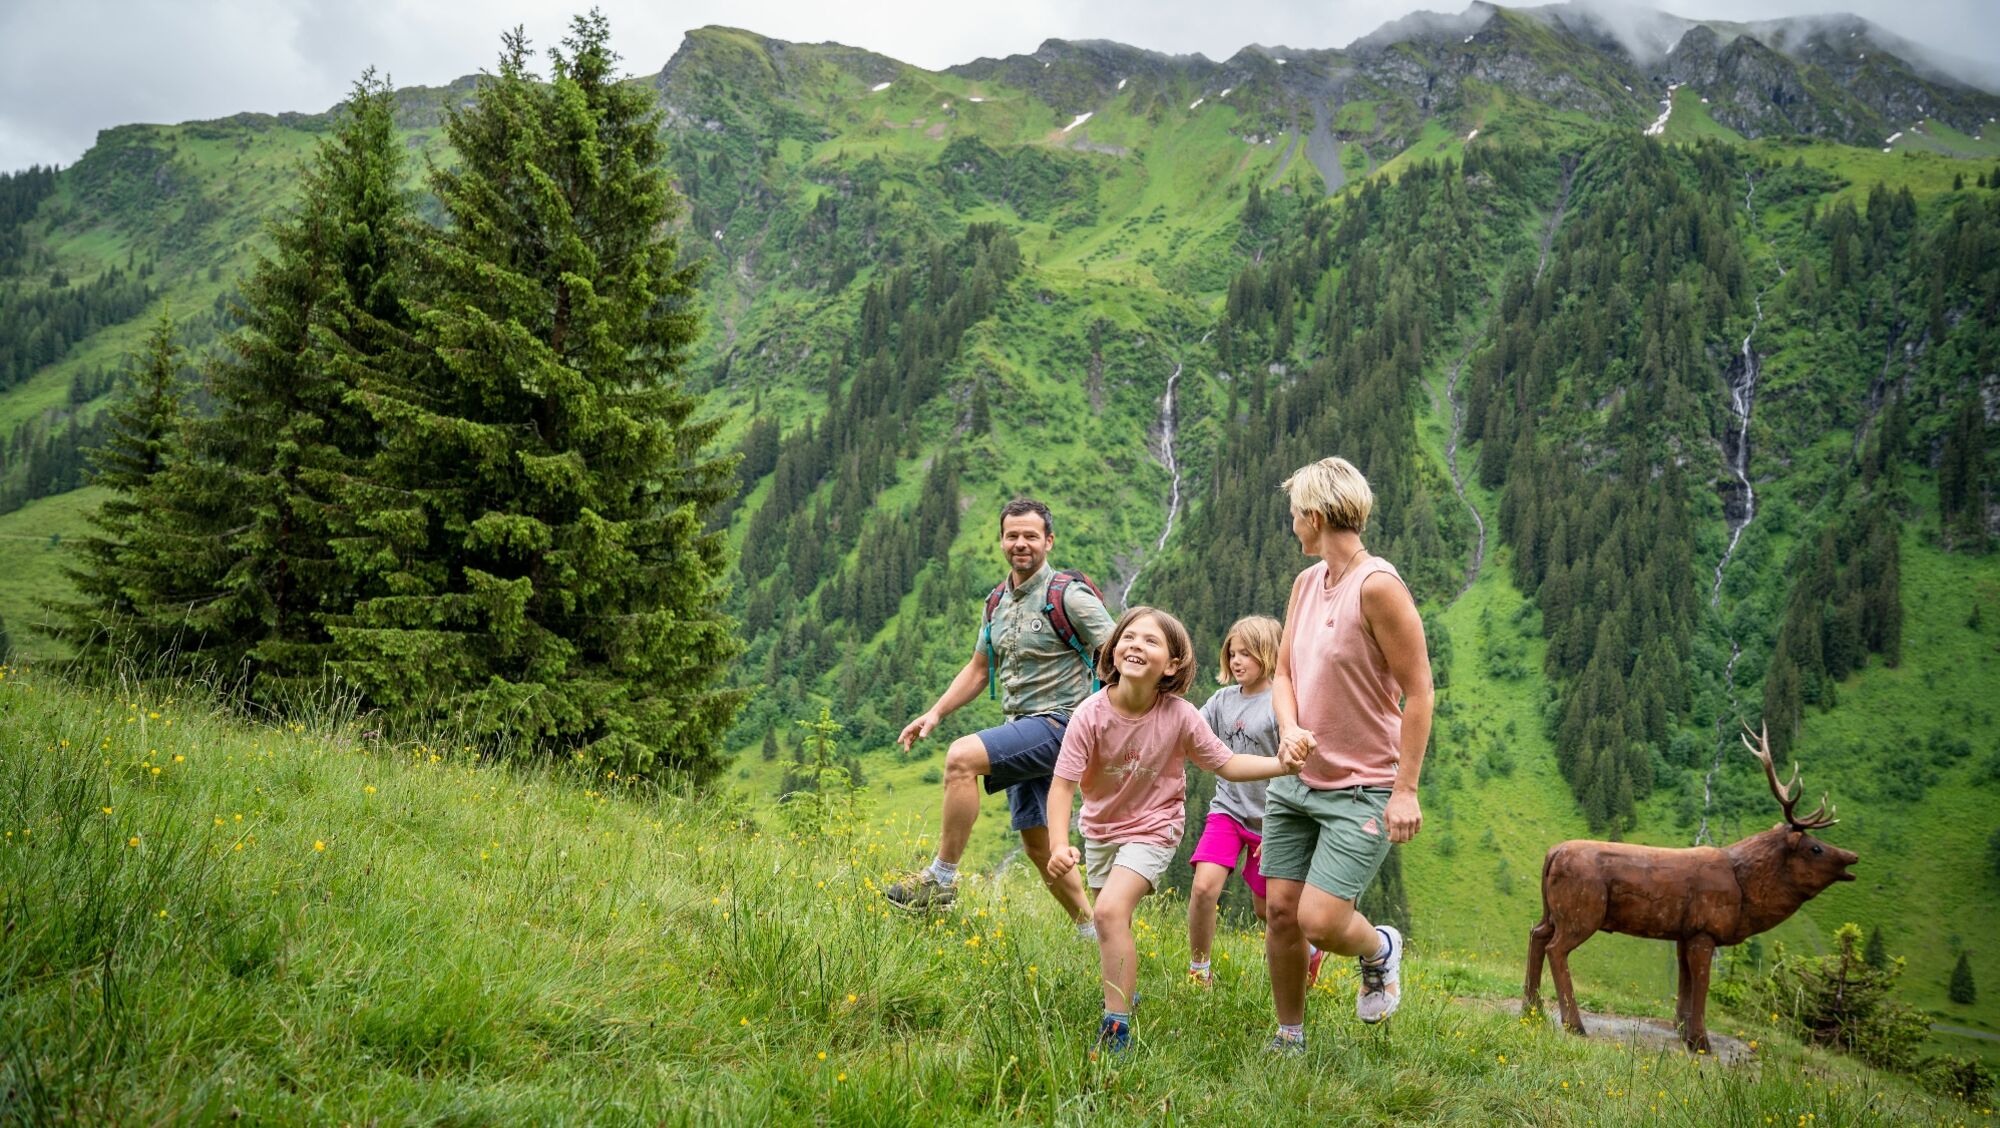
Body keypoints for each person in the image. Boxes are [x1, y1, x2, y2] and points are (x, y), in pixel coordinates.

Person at [1044, 606, 1300, 1054]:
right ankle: (1124, 990)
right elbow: (1063, 784)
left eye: (1151, 641)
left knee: (1106, 913)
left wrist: (1281, 763)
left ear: (1173, 663)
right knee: (1112, 921)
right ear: (1113, 648)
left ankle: (1117, 1027)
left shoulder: (1179, 715)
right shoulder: (1090, 714)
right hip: (1101, 828)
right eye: (1129, 637)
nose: (1136, 646)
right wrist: (1059, 845)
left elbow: (1225, 762)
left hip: (1155, 826)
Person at [1261, 456, 1434, 1055]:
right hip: (1296, 778)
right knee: (1281, 913)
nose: (1291, 525)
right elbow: (1282, 672)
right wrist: (1287, 728)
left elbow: (1420, 690)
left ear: (1313, 515)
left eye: (1294, 515)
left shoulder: (1378, 586)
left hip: (1363, 786)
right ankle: (1290, 1035)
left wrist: (1405, 789)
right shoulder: (1306, 585)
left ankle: (1379, 949)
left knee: (1321, 920)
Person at [886, 498, 1114, 938]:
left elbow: (1118, 651)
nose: (1021, 544)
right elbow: (978, 669)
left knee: (961, 758)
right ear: (1002, 541)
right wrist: (934, 712)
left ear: (1049, 541)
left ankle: (940, 879)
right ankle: (1093, 933)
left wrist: (1120, 719)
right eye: (1013, 536)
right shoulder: (997, 602)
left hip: (1064, 724)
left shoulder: (1069, 596)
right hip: (1023, 729)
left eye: (1031, 536)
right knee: (1038, 844)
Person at [1186, 614, 1327, 987]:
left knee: (1267, 910)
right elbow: (1191, 733)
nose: (1236, 661)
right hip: (1228, 812)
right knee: (1203, 888)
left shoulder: (1280, 705)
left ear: (1267, 655)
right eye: (1232, 653)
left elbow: (1299, 763)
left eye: (1246, 654)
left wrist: (1288, 824)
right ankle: (1199, 970)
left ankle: (1311, 951)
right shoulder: (1221, 701)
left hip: (1273, 821)